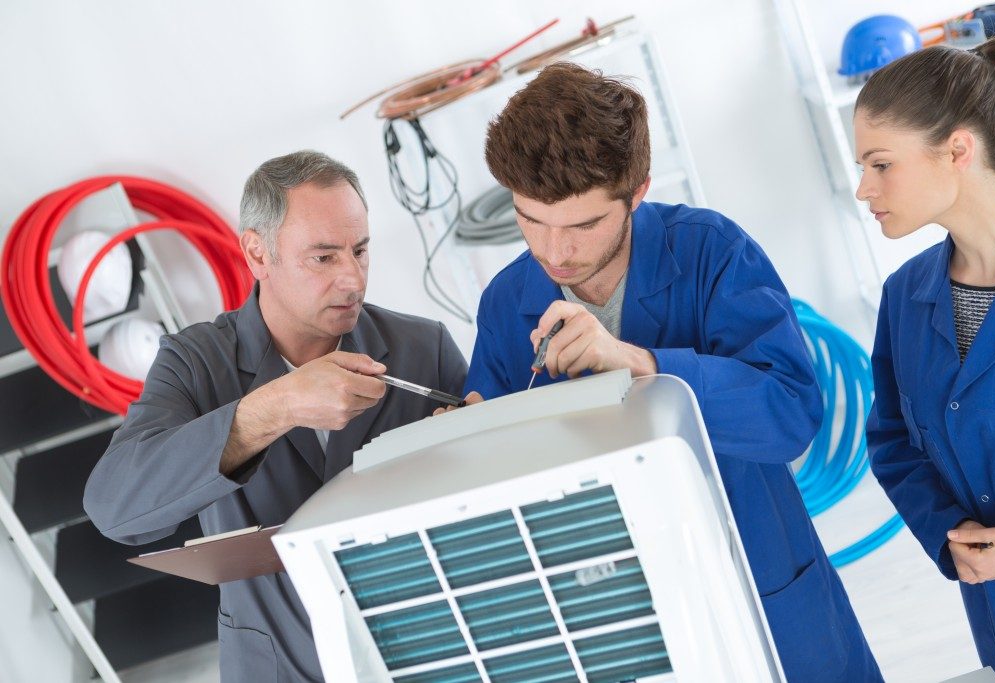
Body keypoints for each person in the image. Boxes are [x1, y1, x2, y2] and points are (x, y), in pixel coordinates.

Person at [461, 62, 882, 681]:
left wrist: (641, 364)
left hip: (753, 573)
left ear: (637, 193)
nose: (554, 252)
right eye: (531, 221)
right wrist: (465, 441)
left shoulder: (713, 251)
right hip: (608, 602)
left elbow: (789, 416)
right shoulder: (505, 301)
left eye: (582, 225)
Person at [83, 150, 467, 682]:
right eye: (324, 257)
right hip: (282, 666)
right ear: (258, 253)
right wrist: (275, 406)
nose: (353, 279)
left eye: (360, 250)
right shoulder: (194, 363)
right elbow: (115, 509)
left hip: (426, 654)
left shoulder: (424, 347)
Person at [859, 38, 995, 682]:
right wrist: (952, 535)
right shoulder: (906, 296)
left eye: (880, 164)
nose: (862, 187)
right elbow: (894, 437)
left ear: (957, 150)